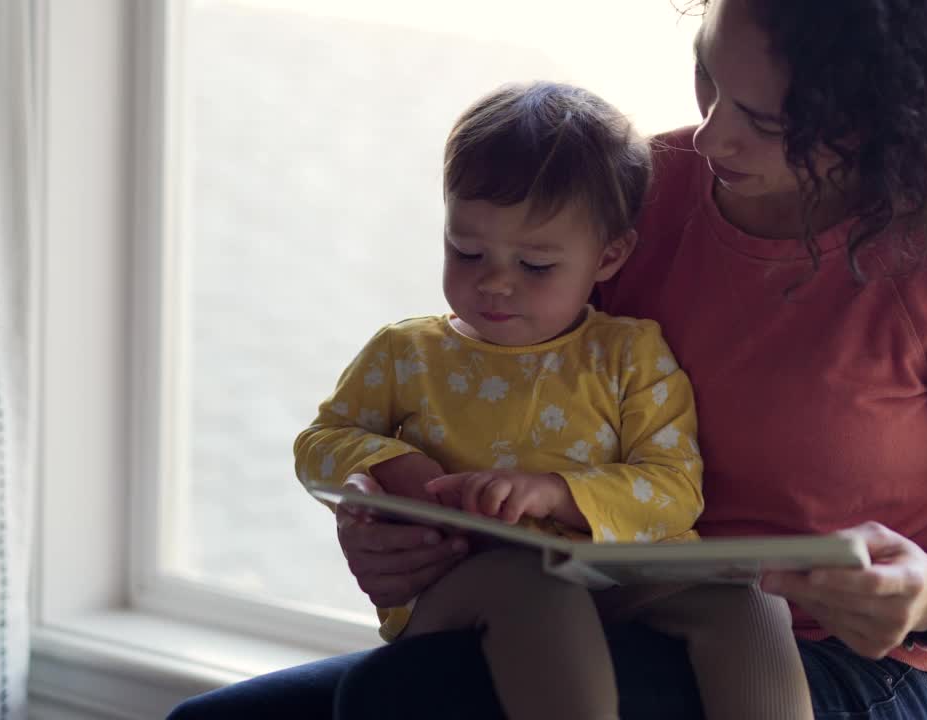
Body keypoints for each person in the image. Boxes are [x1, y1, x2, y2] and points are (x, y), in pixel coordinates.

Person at [169, 0, 927, 718]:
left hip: (836, 666)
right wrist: (391, 527)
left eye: (770, 122)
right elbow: (511, 391)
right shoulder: (642, 191)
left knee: (407, 702)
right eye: (708, 81)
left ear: (892, 120)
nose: (716, 135)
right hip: (588, 596)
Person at [292, 80, 814, 720]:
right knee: (534, 586)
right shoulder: (407, 353)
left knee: (751, 605)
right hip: (467, 592)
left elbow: (675, 488)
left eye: (536, 265)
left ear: (610, 255)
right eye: (467, 250)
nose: (494, 282)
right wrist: (386, 463)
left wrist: (556, 493)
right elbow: (318, 444)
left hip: (616, 583)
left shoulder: (630, 354)